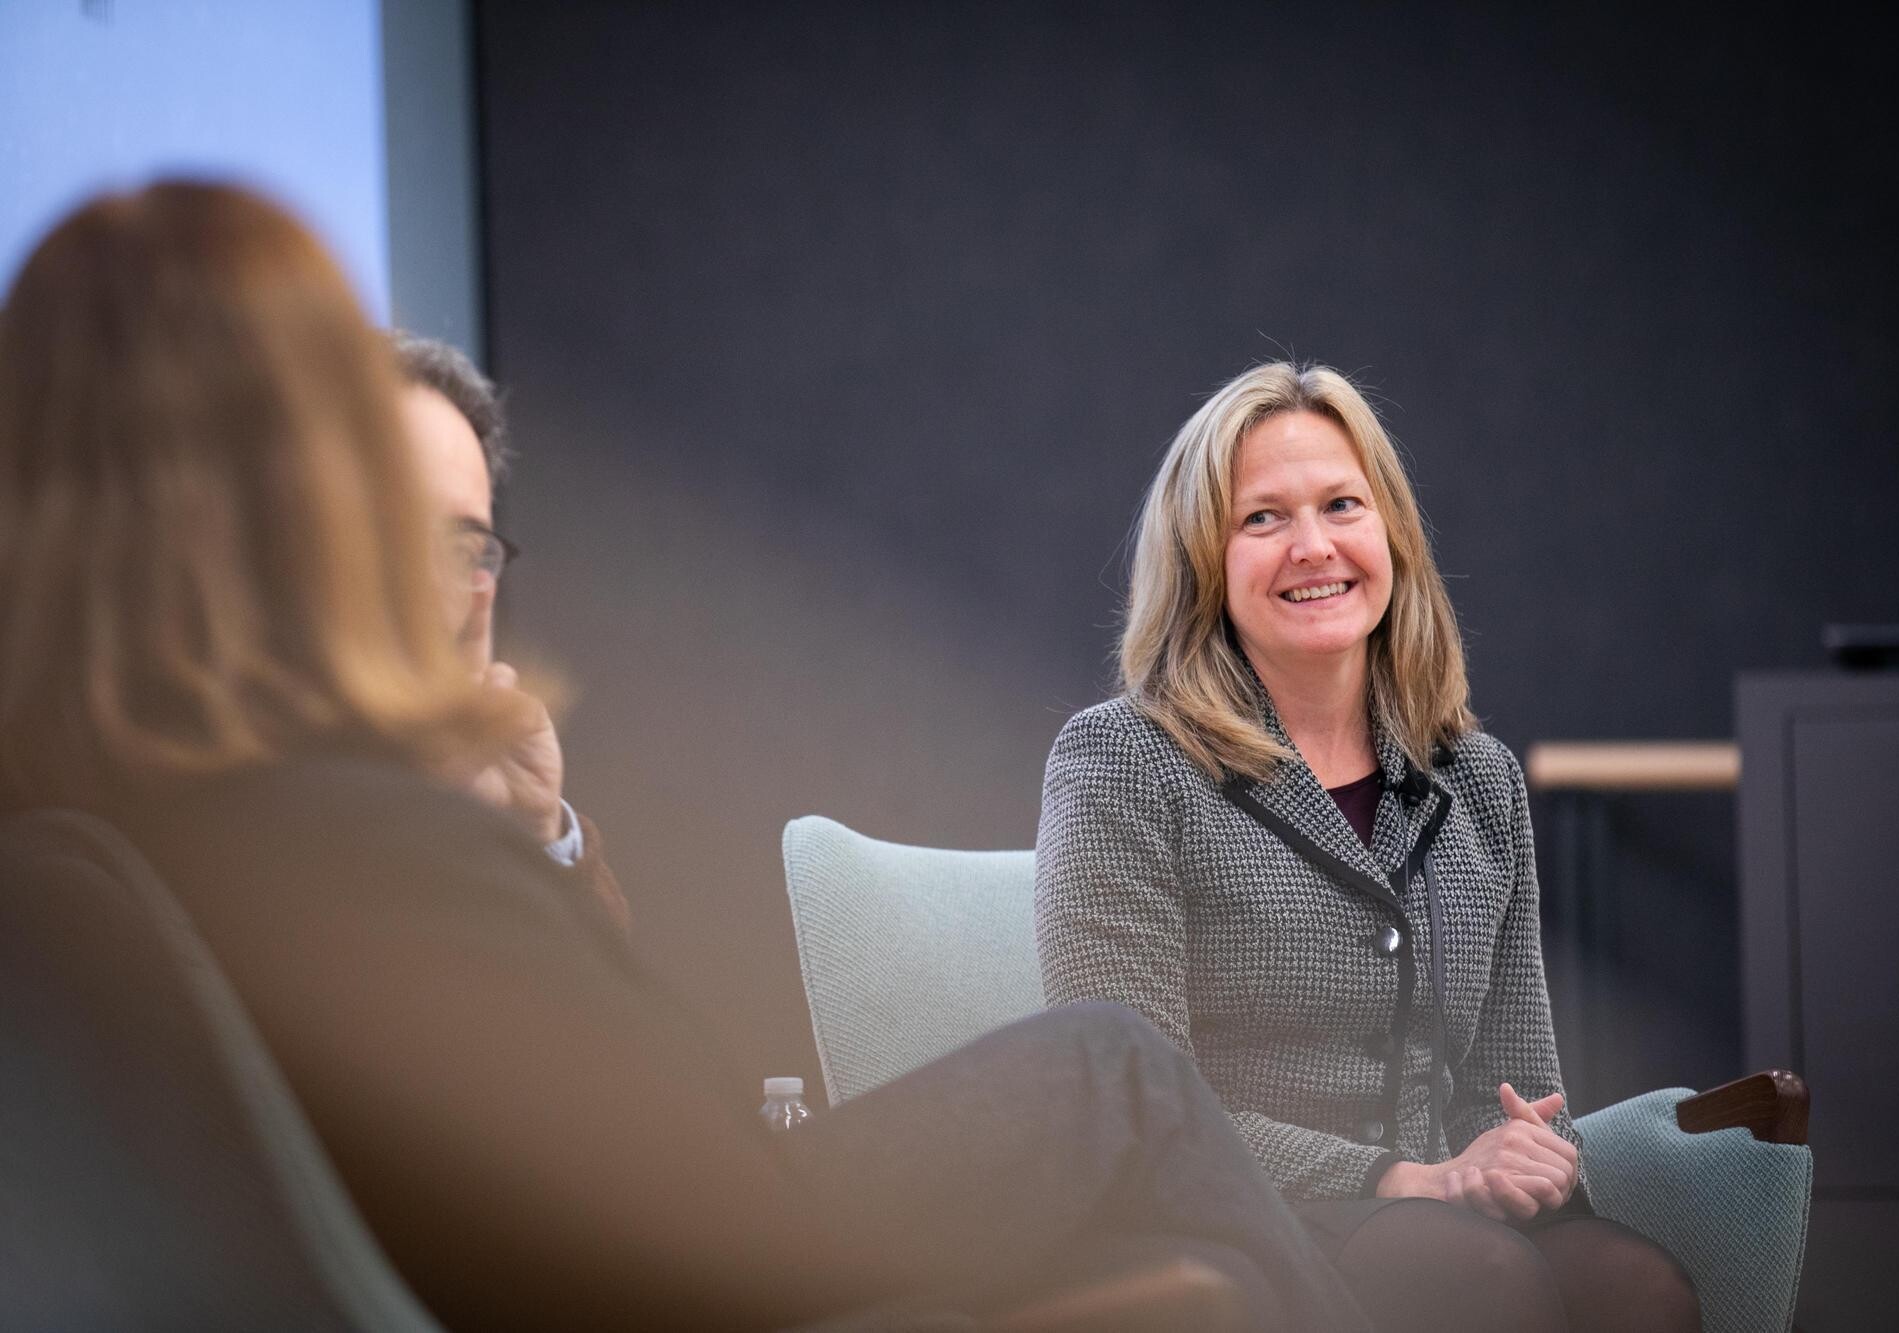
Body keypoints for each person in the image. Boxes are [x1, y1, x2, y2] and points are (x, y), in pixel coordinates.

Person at [0, 183, 1373, 1331]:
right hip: (680, 1272)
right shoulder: (345, 829)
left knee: (1222, 1269)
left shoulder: (100, 824)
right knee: (1121, 1066)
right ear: (294, 488)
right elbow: (674, 1151)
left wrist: (526, 843)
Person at [1034, 362, 1699, 1332]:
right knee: (1475, 1279)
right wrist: (1403, 1178)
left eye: (1340, 504)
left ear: (1388, 532)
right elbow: (1135, 1107)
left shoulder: (1476, 779)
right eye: (1260, 518)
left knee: (1639, 1289)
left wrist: (1520, 1153)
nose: (1312, 546)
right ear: (1200, 561)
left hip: (1436, 1211)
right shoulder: (1122, 760)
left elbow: (1508, 1088)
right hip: (1224, 1214)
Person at [389, 331, 629, 930]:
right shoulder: (217, 804)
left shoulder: (476, 789)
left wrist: (534, 836)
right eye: (396, 524)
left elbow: (613, 1020)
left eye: (460, 545)